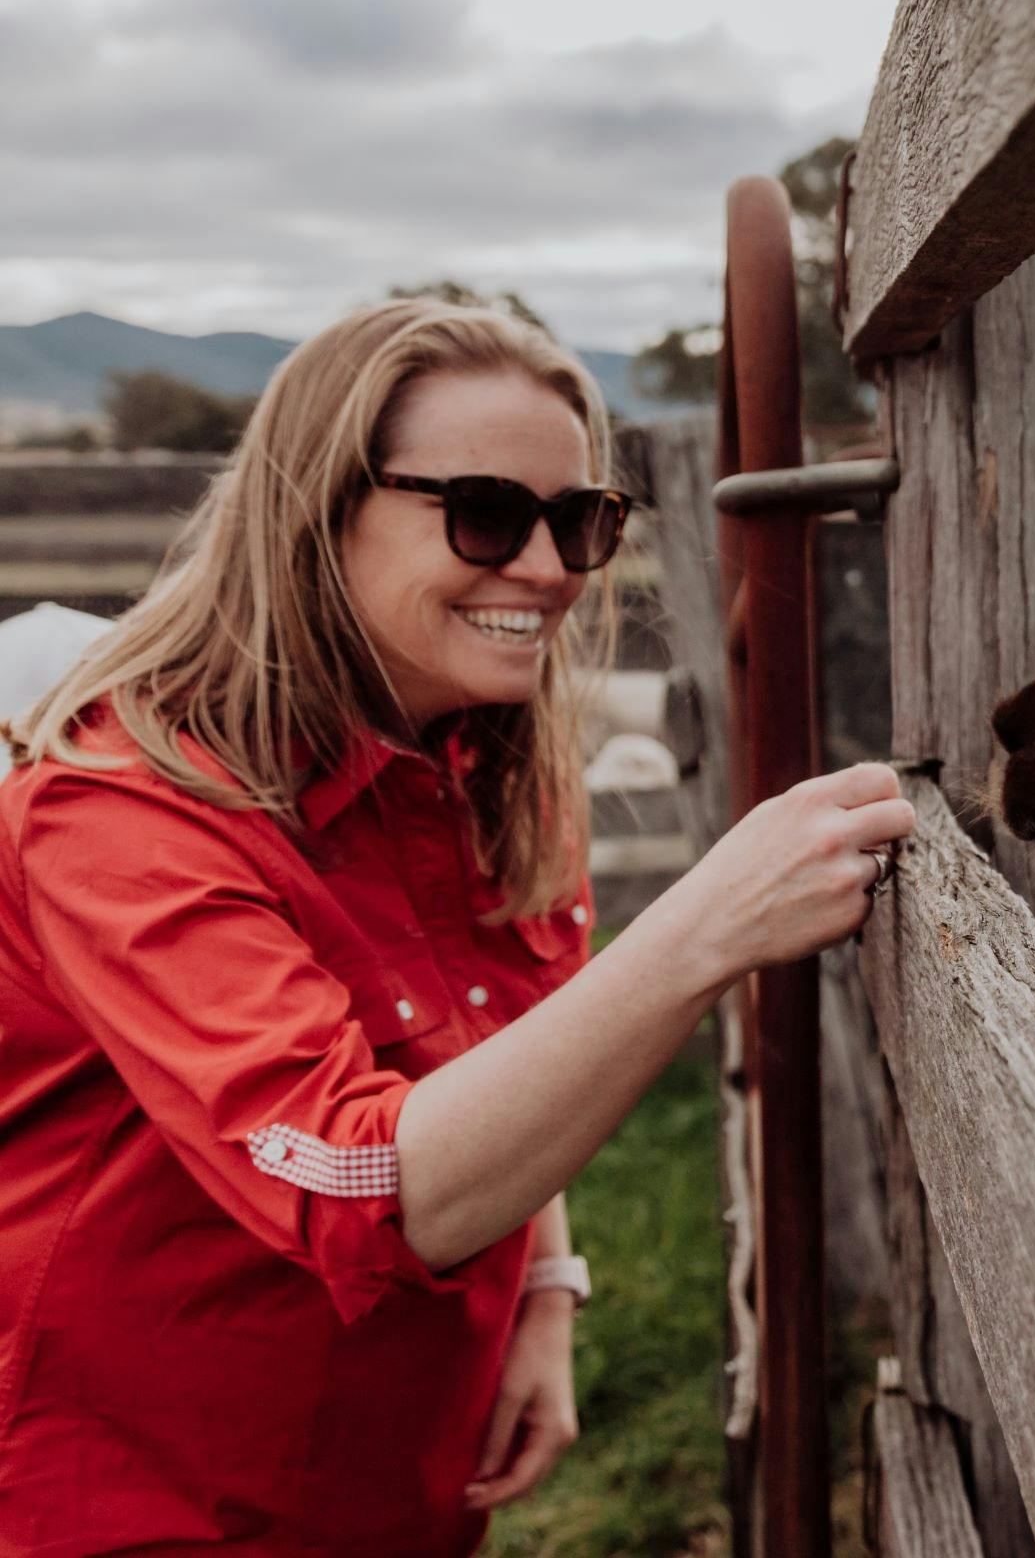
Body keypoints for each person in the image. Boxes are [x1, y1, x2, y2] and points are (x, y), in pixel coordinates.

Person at [0, 299, 914, 1552]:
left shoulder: (490, 766)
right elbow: (358, 1177)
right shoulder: (125, 809)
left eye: (582, 521)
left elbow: (507, 1043)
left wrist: (544, 1286)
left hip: (395, 1478)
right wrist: (705, 928)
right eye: (485, 512)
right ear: (318, 513)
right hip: (138, 1492)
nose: (543, 568)